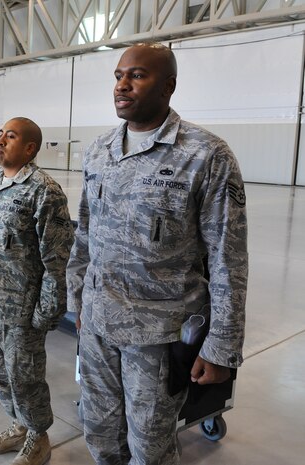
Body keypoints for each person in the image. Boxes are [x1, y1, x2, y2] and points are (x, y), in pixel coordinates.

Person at [66, 43, 248, 465]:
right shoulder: (100, 150)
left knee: (150, 448)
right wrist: (77, 300)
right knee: (99, 432)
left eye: (137, 75)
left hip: (158, 335)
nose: (122, 85)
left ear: (168, 87)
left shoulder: (206, 154)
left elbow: (229, 258)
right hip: (97, 325)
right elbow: (86, 234)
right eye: (118, 75)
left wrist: (221, 346)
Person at [0, 117, 73, 465]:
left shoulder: (44, 191)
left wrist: (47, 310)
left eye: (10, 137)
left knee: (24, 376)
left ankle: (38, 436)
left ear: (29, 149)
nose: (0, 141)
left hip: (21, 307)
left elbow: (56, 259)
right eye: (0, 135)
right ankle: (19, 425)